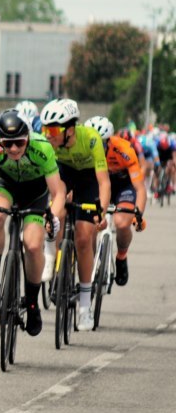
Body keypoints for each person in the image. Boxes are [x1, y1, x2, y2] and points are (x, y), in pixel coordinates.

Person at [0, 110, 65, 335]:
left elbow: (58, 191)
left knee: (33, 245)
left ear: (28, 138)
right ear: (0, 141)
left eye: (19, 143)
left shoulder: (42, 148)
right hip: (5, 184)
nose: (13, 149)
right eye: (8, 143)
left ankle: (32, 303)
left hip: (35, 192)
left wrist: (52, 215)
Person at [39, 99, 110, 331]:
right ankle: (50, 252)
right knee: (54, 213)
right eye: (45, 129)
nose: (48, 135)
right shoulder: (49, 143)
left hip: (89, 178)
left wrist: (101, 209)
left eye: (53, 130)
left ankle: (85, 307)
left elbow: (103, 181)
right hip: (63, 172)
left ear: (69, 130)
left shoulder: (90, 138)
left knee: (82, 237)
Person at [85, 116, 146, 286]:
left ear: (109, 141)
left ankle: (121, 256)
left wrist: (138, 215)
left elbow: (140, 188)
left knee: (121, 223)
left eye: (102, 142)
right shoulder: (83, 150)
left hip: (123, 187)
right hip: (98, 184)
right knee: (91, 225)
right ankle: (90, 268)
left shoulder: (124, 150)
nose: (97, 146)